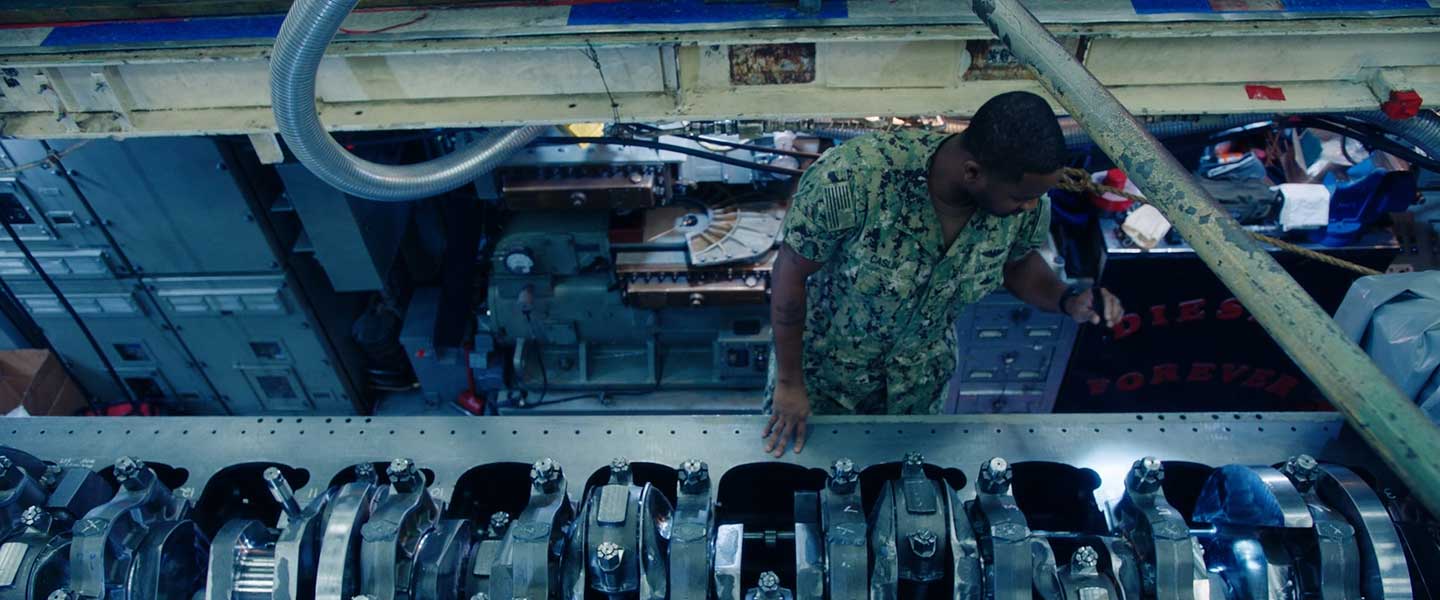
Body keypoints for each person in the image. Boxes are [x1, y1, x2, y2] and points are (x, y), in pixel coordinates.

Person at [763, 91, 1124, 456]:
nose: (1030, 207)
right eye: (1020, 198)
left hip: (917, 391)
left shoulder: (1022, 200)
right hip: (823, 384)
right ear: (972, 173)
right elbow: (790, 275)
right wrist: (790, 384)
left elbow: (1016, 263)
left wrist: (1067, 299)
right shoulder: (853, 181)